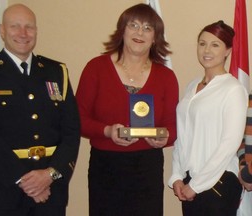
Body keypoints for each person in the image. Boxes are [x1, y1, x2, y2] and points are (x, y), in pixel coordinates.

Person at [0, 4, 80, 216]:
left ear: (36, 30)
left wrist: (50, 175)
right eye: (15, 26)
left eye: (29, 27)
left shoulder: (56, 72)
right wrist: (24, 180)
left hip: (51, 190)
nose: (23, 33)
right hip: (3, 190)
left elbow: (71, 132)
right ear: (2, 30)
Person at [76, 3, 178, 216]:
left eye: (148, 28)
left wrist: (165, 137)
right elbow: (78, 119)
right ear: (122, 30)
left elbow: (173, 127)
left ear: (155, 37)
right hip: (106, 167)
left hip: (147, 168)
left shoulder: (166, 77)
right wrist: (107, 131)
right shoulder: (96, 68)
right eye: (134, 25)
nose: (140, 32)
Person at [168, 20, 248, 216]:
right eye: (202, 43)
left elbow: (230, 143)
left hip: (218, 184)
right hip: (190, 181)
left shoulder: (234, 89)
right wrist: (177, 176)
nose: (207, 50)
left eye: (215, 45)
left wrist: (196, 185)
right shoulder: (192, 86)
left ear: (228, 50)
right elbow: (183, 136)